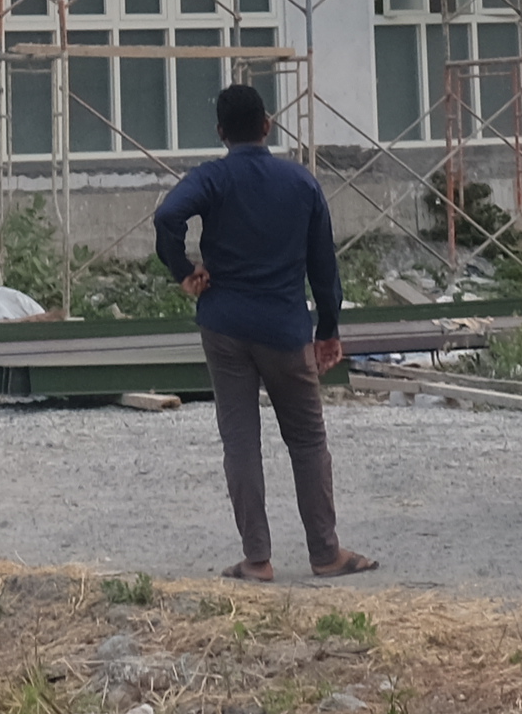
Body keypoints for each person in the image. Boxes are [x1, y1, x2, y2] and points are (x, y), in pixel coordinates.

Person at [152, 81, 378, 582]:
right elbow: (323, 266)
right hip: (284, 328)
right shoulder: (300, 183)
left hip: (224, 325)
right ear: (267, 126)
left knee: (240, 441)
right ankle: (325, 553)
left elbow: (167, 215)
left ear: (220, 132)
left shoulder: (212, 178)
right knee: (308, 441)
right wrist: (329, 328)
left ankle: (257, 559)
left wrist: (183, 270)